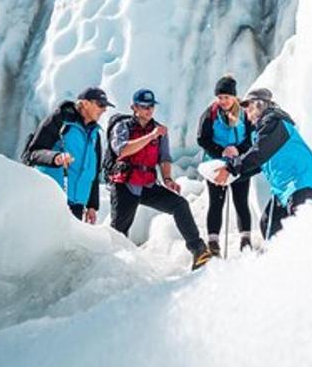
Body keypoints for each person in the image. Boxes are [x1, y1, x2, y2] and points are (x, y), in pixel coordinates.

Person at [110, 88, 212, 270]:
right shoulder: (123, 127)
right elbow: (122, 150)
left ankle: (199, 250)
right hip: (125, 184)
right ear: (134, 107)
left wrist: (167, 179)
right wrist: (151, 136)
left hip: (148, 184)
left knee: (179, 205)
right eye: (144, 106)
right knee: (118, 232)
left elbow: (164, 158)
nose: (149, 110)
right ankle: (114, 268)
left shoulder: (159, 131)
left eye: (151, 106)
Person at [213, 88, 312, 241]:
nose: (246, 112)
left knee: (303, 237)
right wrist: (232, 177)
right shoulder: (260, 132)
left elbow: (259, 153)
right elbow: (257, 164)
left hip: (302, 187)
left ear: (261, 105)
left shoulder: (275, 122)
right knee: (268, 225)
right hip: (283, 193)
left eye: (249, 107)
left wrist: (231, 168)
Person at [22, 87, 113, 223]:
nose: (104, 110)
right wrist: (55, 158)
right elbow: (32, 153)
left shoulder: (95, 134)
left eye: (105, 106)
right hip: (53, 199)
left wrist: (92, 206)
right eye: (100, 105)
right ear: (85, 103)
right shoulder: (61, 120)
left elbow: (93, 172)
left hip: (77, 205)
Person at [196, 74, 256, 255]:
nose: (222, 101)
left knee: (241, 202)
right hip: (216, 164)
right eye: (220, 97)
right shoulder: (210, 113)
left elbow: (251, 138)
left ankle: (246, 239)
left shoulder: (245, 114)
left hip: (239, 163)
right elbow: (202, 139)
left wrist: (238, 150)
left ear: (234, 97)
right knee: (216, 203)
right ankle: (213, 243)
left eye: (226, 97)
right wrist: (220, 151)